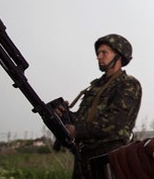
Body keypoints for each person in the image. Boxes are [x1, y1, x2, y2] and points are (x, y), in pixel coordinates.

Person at [59, 34, 142, 179]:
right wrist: (63, 115)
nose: (99, 56)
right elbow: (81, 120)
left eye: (104, 53)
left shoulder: (128, 84)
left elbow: (115, 122)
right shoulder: (94, 87)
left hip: (109, 158)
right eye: (98, 53)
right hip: (84, 157)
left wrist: (77, 130)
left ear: (119, 56)